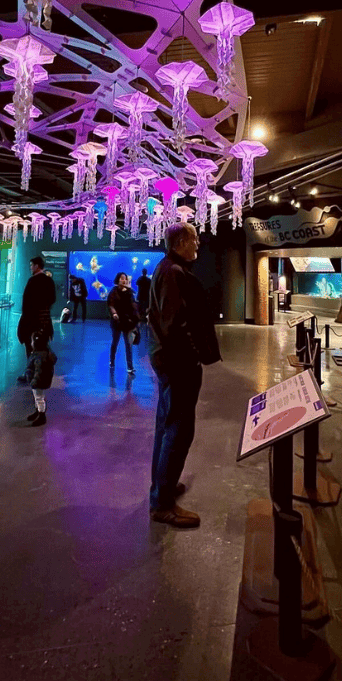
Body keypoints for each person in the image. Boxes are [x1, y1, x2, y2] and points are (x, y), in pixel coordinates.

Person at [148, 222, 221, 529]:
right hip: (178, 364)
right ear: (179, 242)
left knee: (168, 427)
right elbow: (174, 325)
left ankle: (162, 487)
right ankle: (163, 504)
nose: (197, 245)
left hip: (169, 361)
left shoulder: (167, 269)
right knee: (178, 431)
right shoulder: (173, 273)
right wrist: (194, 355)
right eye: (193, 240)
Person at [17, 255, 56, 360]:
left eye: (31, 265)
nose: (30, 267)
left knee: (30, 347)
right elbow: (52, 299)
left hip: (31, 321)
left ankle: (31, 369)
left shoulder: (32, 281)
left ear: (37, 266)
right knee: (42, 345)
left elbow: (26, 303)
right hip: (44, 320)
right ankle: (41, 369)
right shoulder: (49, 281)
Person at [24, 329, 58, 426]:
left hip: (38, 382)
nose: (31, 343)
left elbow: (39, 372)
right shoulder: (42, 353)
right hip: (38, 381)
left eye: (32, 341)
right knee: (38, 397)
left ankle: (42, 416)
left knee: (39, 398)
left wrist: (34, 381)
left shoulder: (39, 356)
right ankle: (38, 411)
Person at [107, 272, 139, 374]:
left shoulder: (130, 292)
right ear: (118, 280)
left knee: (128, 345)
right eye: (121, 278)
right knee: (115, 343)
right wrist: (114, 313)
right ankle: (112, 361)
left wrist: (136, 320)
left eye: (125, 278)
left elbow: (133, 306)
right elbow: (110, 304)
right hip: (117, 321)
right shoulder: (113, 291)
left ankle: (130, 367)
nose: (123, 280)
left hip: (127, 322)